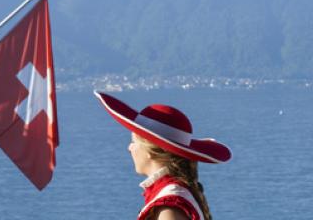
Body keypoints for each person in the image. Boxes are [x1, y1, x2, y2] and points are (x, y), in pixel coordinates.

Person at [95, 91, 229, 220]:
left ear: (149, 151)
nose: (129, 148)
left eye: (133, 142)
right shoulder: (171, 195)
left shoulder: (169, 206)